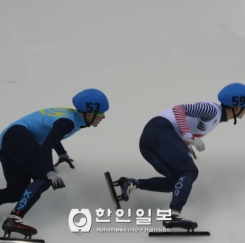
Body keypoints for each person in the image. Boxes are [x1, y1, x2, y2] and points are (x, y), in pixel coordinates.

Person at [119, 83, 245, 228]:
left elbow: (183, 124)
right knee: (190, 171)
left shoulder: (216, 116)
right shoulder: (212, 109)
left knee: (177, 181)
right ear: (237, 107)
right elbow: (179, 109)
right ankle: (174, 215)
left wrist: (185, 144)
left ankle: (132, 183)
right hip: (159, 129)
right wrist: (188, 136)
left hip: (149, 141)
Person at [0, 88, 109, 236]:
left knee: (16, 192)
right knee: (44, 178)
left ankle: (14, 217)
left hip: (9, 138)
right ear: (89, 114)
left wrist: (62, 153)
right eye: (101, 115)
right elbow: (46, 146)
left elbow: (51, 135)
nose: (103, 118)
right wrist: (50, 173)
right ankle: (14, 218)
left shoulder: (72, 117)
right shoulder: (68, 122)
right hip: (18, 136)